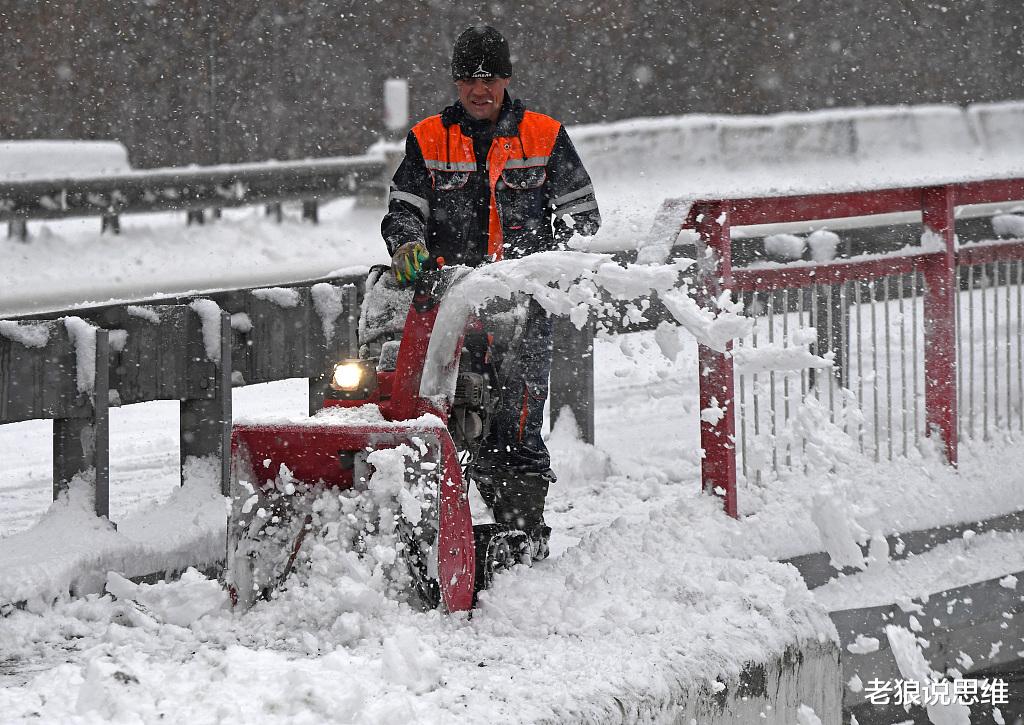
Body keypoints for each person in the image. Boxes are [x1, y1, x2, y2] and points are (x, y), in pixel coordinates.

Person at [381, 25, 601, 560]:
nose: (480, 91)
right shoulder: (429, 138)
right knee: (435, 415)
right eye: (469, 81)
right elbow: (403, 210)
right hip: (447, 304)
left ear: (507, 79)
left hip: (522, 307)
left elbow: (584, 217)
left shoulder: (545, 135)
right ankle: (426, 534)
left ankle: (521, 536)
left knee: (515, 422)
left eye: (490, 79)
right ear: (456, 83)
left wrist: (546, 262)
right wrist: (407, 243)